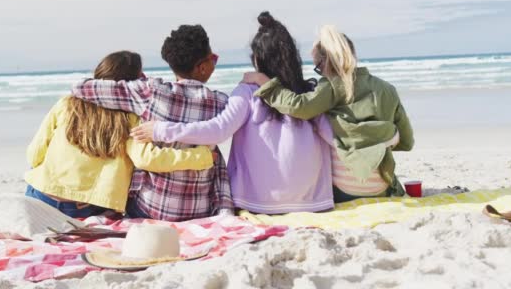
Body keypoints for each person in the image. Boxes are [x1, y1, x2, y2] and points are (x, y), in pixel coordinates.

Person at [130, 12, 334, 214]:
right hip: (313, 201)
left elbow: (218, 130)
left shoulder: (247, 92)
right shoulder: (310, 96)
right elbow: (335, 139)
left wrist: (160, 130)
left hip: (258, 202)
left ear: (258, 60)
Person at [71, 26, 235, 221]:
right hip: (198, 212)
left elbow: (81, 87)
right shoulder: (221, 103)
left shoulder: (151, 92)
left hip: (150, 210)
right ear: (202, 67)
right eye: (213, 59)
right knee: (214, 156)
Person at [25, 51, 215, 218]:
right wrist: (202, 156)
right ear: (132, 83)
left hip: (40, 195)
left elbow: (34, 155)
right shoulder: (131, 117)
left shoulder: (66, 104)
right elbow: (146, 159)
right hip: (84, 207)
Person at [244, 25, 414, 202]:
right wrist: (380, 140)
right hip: (381, 187)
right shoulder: (387, 89)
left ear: (326, 61)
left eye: (318, 67)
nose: (320, 73)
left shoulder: (332, 85)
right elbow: (407, 142)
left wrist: (266, 84)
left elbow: (299, 107)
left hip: (343, 190)